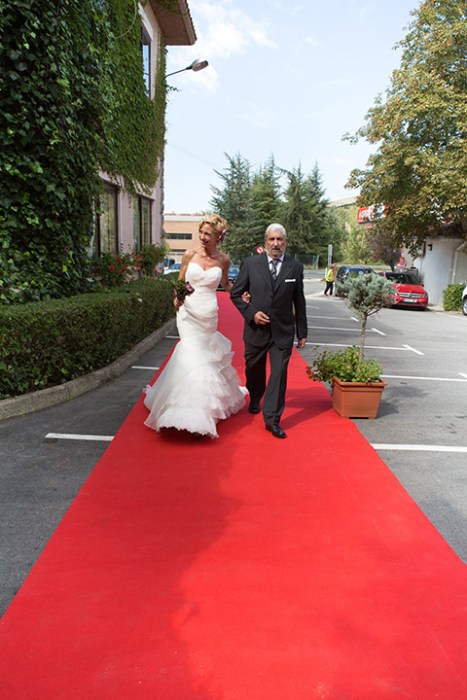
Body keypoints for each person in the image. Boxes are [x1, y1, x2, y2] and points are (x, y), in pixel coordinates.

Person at [144, 214, 247, 438]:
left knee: (204, 356)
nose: (202, 237)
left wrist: (243, 293)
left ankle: (203, 410)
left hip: (208, 314)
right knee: (191, 353)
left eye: (208, 234)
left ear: (218, 237)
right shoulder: (189, 255)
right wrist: (177, 298)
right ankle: (181, 411)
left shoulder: (223, 260)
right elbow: (181, 283)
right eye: (201, 232)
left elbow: (226, 285)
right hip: (188, 313)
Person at [230, 223, 307, 439]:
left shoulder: (295, 267)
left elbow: (299, 301)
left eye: (279, 239)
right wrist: (251, 313)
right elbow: (236, 294)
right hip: (256, 330)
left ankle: (272, 419)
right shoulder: (250, 264)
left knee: (279, 374)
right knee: (253, 369)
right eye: (272, 239)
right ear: (265, 242)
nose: (275, 244)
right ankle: (255, 396)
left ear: (285, 242)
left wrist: (302, 331)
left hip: (282, 331)